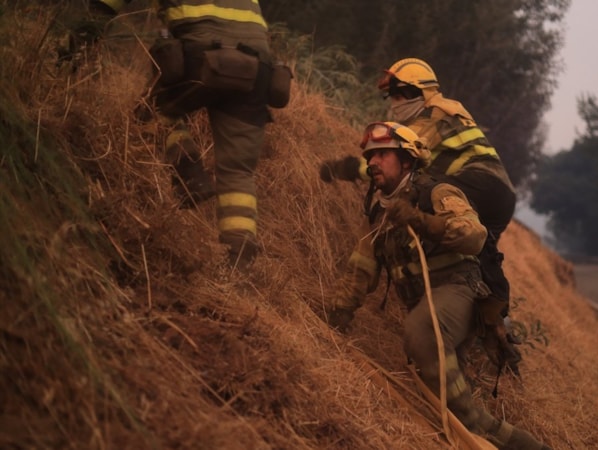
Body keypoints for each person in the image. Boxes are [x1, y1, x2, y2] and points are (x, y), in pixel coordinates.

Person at [325, 121, 549, 450]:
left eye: (382, 154)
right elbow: (362, 265)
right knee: (440, 401)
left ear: (407, 160)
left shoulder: (437, 192)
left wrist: (421, 221)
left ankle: (473, 426)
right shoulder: (380, 211)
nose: (372, 162)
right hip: (428, 304)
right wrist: (339, 313)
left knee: (421, 334)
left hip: (460, 290)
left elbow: (474, 235)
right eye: (369, 156)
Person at [320, 58, 521, 368]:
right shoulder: (444, 109)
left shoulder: (433, 115)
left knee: (429, 204)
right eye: (392, 97)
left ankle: (480, 321)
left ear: (420, 92)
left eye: (399, 95)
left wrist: (347, 169)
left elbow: (401, 158)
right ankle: (497, 327)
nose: (395, 104)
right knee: (480, 255)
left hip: (480, 183)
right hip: (499, 193)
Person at [72, 0, 290, 268]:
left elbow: (103, 7)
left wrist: (79, 43)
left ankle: (188, 170)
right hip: (258, 70)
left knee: (150, 115)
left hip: (201, 56)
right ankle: (238, 258)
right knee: (238, 172)